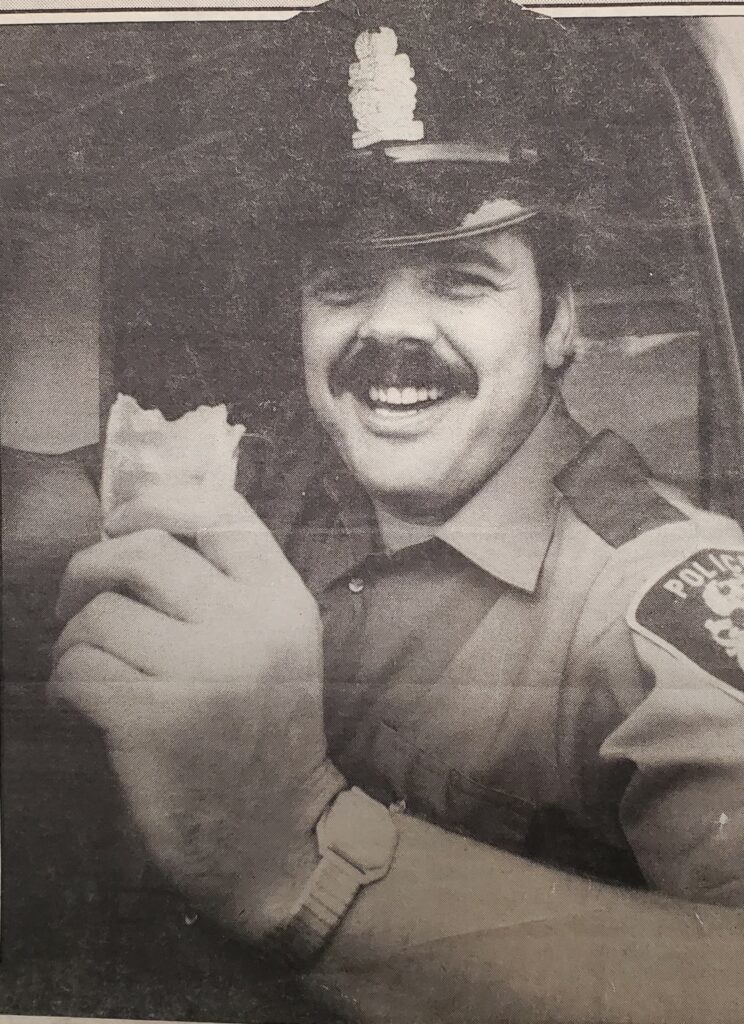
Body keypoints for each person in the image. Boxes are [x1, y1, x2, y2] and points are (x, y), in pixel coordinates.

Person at [49, 2, 744, 1020]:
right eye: (343, 282)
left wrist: (299, 848)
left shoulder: (655, 595)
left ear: (559, 324)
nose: (389, 329)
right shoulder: (275, 489)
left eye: (460, 279)